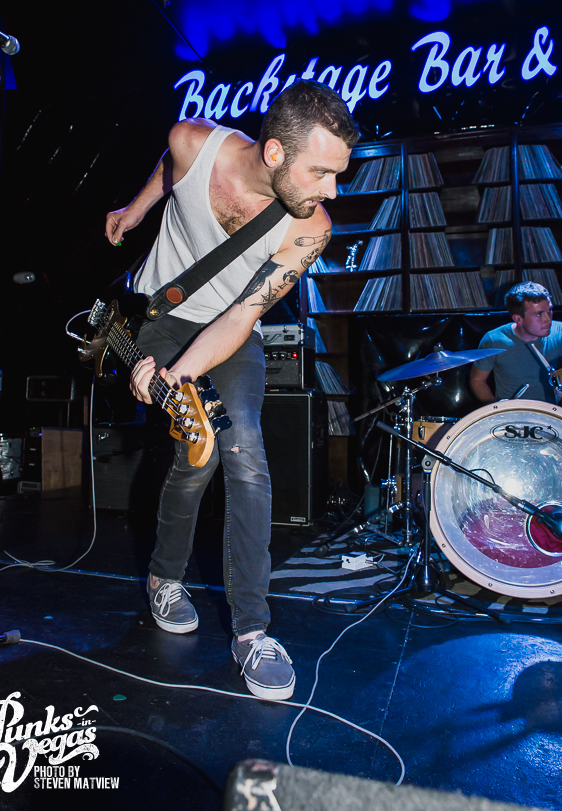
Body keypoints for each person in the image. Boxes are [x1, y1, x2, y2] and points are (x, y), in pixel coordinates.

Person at [105, 80, 359, 700]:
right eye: (322, 172)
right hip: (162, 317)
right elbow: (169, 169)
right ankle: (165, 578)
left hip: (231, 330)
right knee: (197, 459)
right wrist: (136, 210)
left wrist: (178, 375)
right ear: (274, 153)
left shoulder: (310, 229)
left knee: (243, 450)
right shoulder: (191, 142)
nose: (333, 190)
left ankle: (252, 631)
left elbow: (243, 317)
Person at [470, 281, 562, 404]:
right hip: (514, 413)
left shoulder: (559, 332)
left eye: (549, 310)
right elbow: (477, 381)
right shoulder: (494, 340)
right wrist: (497, 407)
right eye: (539, 314)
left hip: (554, 412)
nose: (548, 319)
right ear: (518, 319)